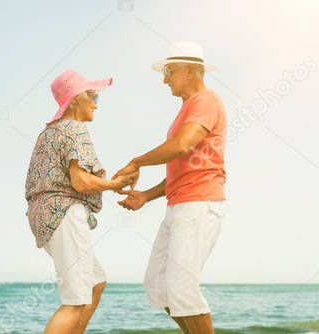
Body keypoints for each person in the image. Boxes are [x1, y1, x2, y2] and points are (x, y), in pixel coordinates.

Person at [113, 41, 227, 334]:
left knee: (182, 288)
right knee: (158, 286)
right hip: (178, 205)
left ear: (191, 70)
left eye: (169, 71)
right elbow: (182, 168)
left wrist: (136, 162)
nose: (164, 80)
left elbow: (182, 144)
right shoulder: (186, 109)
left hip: (199, 205)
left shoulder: (206, 101)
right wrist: (146, 197)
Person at [25, 69, 134, 334]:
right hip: (64, 213)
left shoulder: (48, 132)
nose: (96, 102)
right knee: (75, 300)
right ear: (74, 99)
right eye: (92, 95)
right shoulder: (76, 128)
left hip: (44, 216)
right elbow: (80, 181)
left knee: (96, 282)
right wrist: (114, 184)